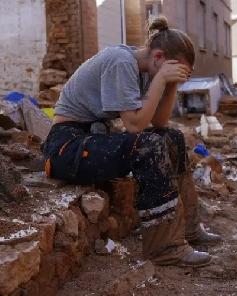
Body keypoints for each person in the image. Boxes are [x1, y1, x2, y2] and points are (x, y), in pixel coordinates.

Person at [42, 17, 221, 267]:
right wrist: (160, 80)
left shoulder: (146, 68)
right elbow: (135, 126)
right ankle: (165, 248)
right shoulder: (121, 61)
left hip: (92, 138)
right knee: (147, 145)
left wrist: (169, 86)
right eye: (174, 70)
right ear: (158, 57)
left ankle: (189, 229)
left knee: (173, 138)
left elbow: (159, 123)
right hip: (66, 147)